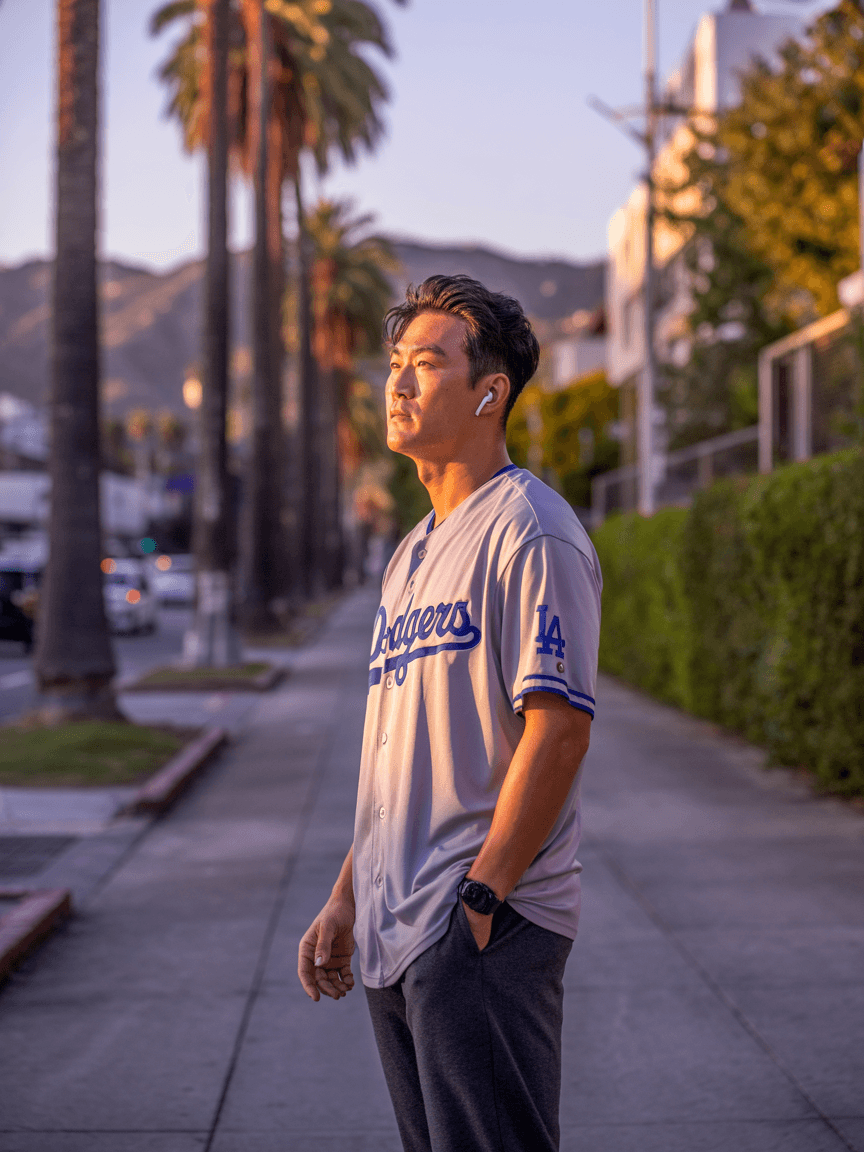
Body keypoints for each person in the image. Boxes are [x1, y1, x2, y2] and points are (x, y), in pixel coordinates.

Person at [298, 274, 602, 1152]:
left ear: (488, 391)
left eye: (424, 364)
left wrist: (480, 902)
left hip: (481, 930)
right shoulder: (409, 556)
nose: (395, 384)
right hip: (402, 931)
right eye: (394, 363)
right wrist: (346, 900)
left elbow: (559, 729)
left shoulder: (531, 532)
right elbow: (403, 758)